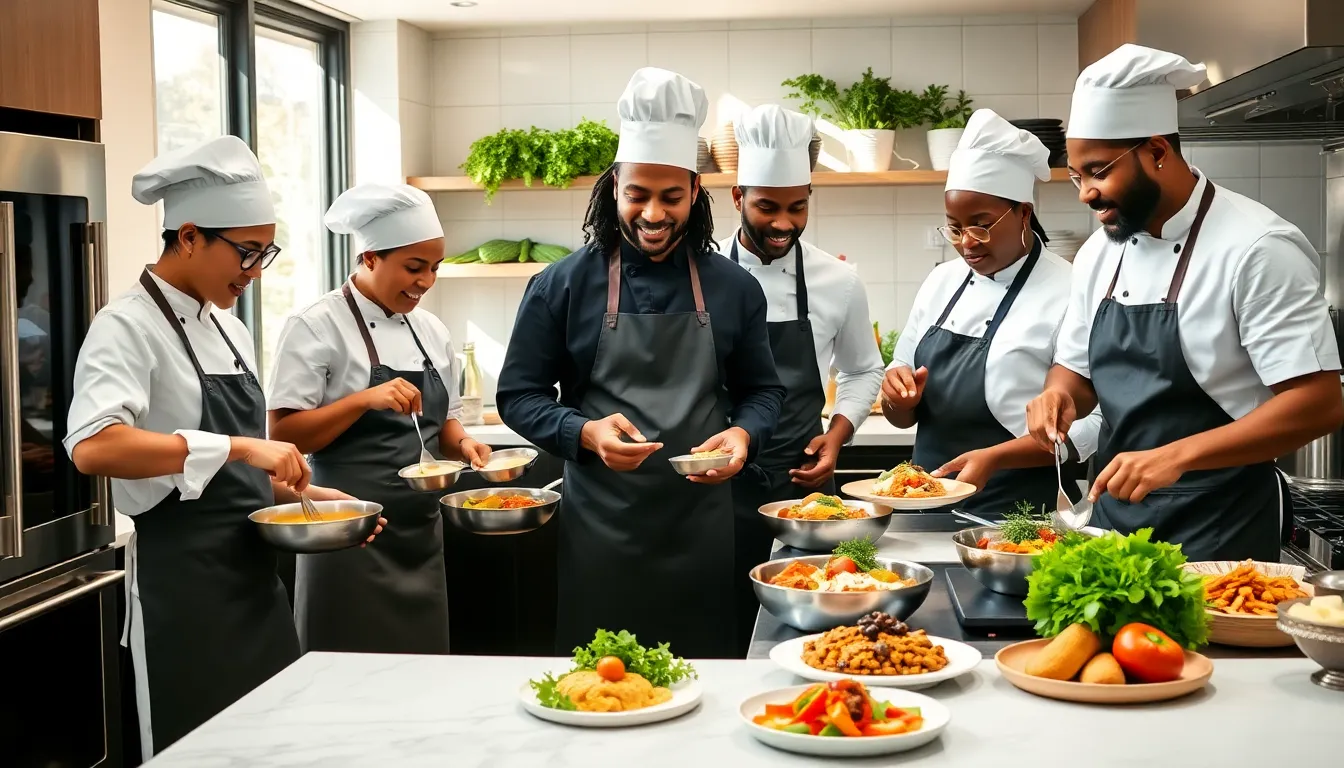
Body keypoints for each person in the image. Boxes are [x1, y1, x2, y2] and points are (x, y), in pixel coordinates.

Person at [63, 136, 376, 761]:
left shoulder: (228, 325)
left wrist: (307, 496)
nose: (256, 270)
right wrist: (238, 446)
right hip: (184, 588)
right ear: (187, 236)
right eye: (246, 251)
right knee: (198, 748)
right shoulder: (124, 325)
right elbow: (94, 447)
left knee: (272, 743)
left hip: (255, 581)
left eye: (266, 252)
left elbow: (231, 471)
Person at [496, 67, 785, 659]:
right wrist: (583, 432)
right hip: (602, 528)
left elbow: (764, 393)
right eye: (637, 195)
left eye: (670, 196)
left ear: (696, 193)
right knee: (599, 683)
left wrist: (743, 435)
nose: (653, 214)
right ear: (613, 189)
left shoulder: (733, 288)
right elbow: (518, 395)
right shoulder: (562, 285)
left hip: (700, 526)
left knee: (703, 677)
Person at [1026, 44, 1344, 562]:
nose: (1086, 193)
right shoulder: (1096, 254)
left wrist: (1176, 456)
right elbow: (1075, 371)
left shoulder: (1257, 248)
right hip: (1111, 524)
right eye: (1077, 177)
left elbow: (1319, 403)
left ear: (1156, 151)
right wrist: (1058, 397)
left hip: (1221, 527)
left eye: (1099, 172)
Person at [268, 183, 489, 654]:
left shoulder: (431, 329)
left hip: (420, 536)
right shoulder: (315, 325)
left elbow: (443, 422)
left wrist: (464, 445)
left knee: (423, 679)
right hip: (347, 531)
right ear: (369, 258)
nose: (426, 281)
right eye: (414, 267)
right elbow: (282, 432)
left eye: (434, 267)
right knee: (340, 675)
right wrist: (362, 400)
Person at [716, 104, 883, 653]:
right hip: (712, 483)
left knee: (815, 625)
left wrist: (836, 437)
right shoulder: (700, 272)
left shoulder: (839, 280)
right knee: (722, 623)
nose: (784, 223)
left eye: (798, 206)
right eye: (767, 207)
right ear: (738, 198)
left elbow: (863, 370)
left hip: (801, 486)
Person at [881, 109, 1102, 516]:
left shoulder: (1071, 289)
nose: (967, 243)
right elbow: (902, 415)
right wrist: (896, 395)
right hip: (924, 504)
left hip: (1021, 516)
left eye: (981, 226)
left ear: (1023, 212)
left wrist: (996, 456)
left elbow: (1090, 424)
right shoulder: (940, 282)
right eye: (954, 227)